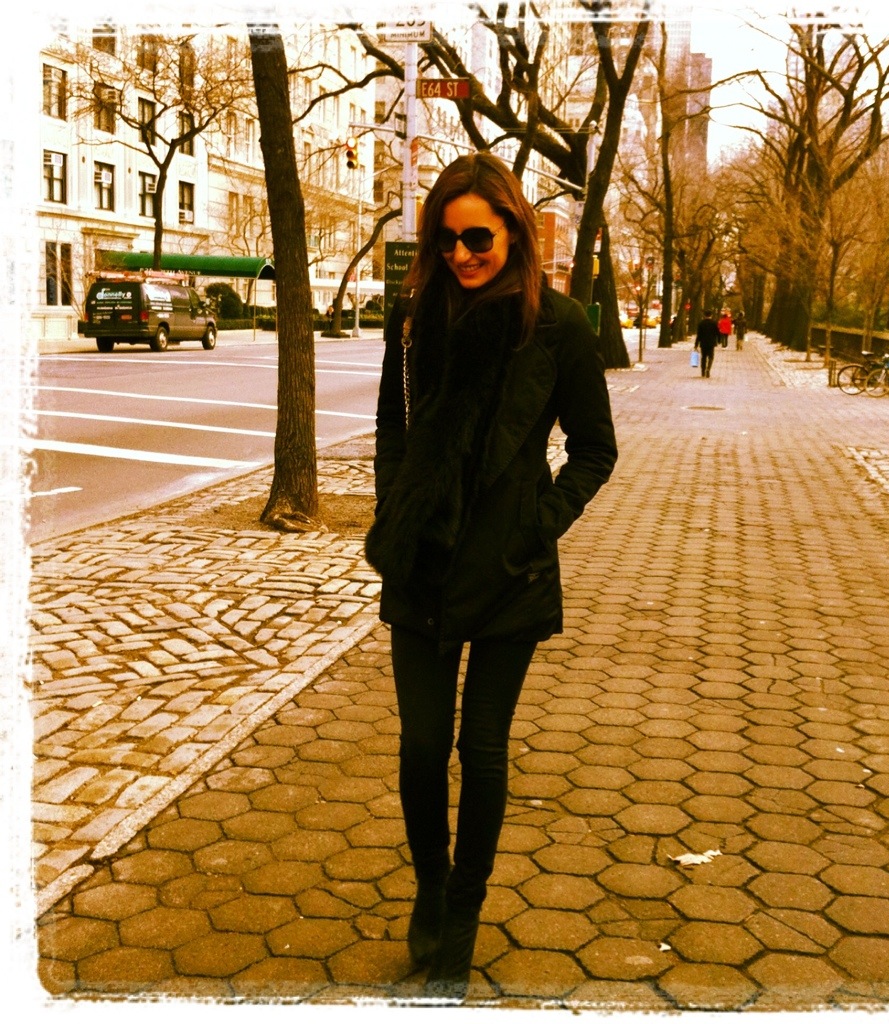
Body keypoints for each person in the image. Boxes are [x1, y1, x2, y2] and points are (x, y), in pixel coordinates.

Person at [364, 152, 617, 1002]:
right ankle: (431, 889)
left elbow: (596, 450)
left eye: (478, 237)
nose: (463, 254)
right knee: (421, 746)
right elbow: (392, 428)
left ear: (514, 230)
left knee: (481, 748)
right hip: (422, 563)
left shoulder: (559, 325)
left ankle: (464, 920)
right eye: (447, 240)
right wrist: (394, 509)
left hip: (509, 569)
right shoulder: (417, 318)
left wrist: (537, 524)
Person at [695, 309, 720, 377]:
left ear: (704, 315)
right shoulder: (714, 323)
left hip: (703, 343)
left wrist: (696, 344)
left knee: (703, 357)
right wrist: (719, 340)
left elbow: (699, 335)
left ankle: (703, 371)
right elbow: (717, 333)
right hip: (711, 343)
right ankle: (708, 368)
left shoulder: (701, 323)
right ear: (711, 315)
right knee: (711, 356)